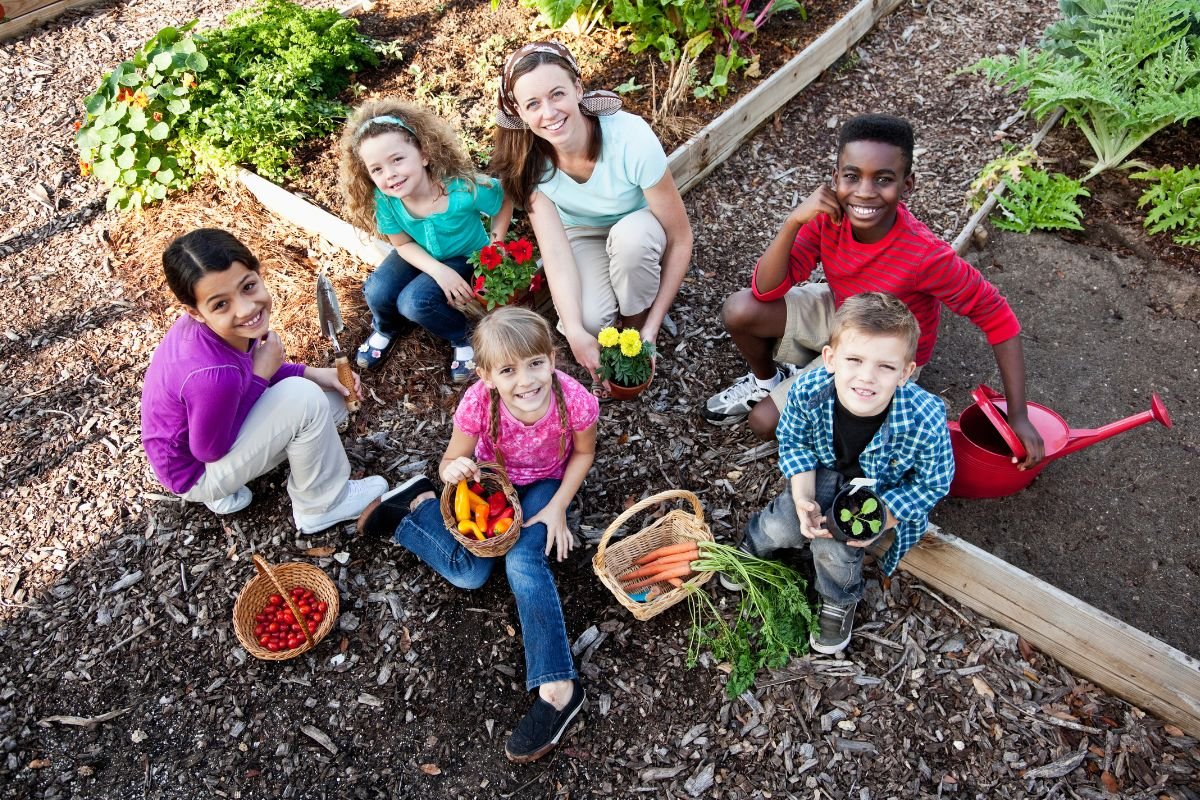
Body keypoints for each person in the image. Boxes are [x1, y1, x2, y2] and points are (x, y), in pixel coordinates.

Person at [703, 113, 1045, 467]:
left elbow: (997, 317)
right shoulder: (827, 218)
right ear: (835, 179)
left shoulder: (924, 256)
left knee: (765, 423)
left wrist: (1017, 414)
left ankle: (847, 420)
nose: (864, 191)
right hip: (843, 311)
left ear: (906, 185)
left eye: (883, 179)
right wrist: (793, 222)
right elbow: (764, 289)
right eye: (852, 177)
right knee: (740, 309)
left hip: (884, 345)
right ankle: (768, 380)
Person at [356, 307, 598, 763]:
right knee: (470, 574)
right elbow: (451, 462)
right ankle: (414, 512)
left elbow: (583, 453)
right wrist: (453, 471)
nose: (526, 381)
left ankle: (558, 688)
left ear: (552, 359)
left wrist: (557, 507)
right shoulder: (477, 404)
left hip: (546, 482)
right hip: (489, 483)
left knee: (524, 559)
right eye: (508, 370)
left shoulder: (575, 400)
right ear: (486, 376)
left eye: (535, 364)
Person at [731, 292, 954, 654]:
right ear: (830, 359)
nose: (867, 377)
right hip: (819, 473)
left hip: (876, 493)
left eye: (885, 366)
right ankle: (753, 545)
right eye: (855, 359)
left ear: (906, 372)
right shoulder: (807, 390)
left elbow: (934, 482)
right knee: (784, 523)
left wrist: (881, 518)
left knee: (836, 549)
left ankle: (837, 599)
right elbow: (795, 443)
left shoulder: (925, 417)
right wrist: (803, 497)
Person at [141, 228, 386, 533]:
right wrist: (262, 376)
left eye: (248, 286)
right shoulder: (213, 377)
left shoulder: (217, 331)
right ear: (195, 312)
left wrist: (312, 373)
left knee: (331, 400)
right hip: (196, 472)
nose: (245, 308)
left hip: (190, 447)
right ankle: (323, 505)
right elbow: (209, 450)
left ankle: (229, 489)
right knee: (306, 401)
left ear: (258, 272)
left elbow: (250, 373)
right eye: (221, 304)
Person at [490, 41, 693, 386]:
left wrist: (651, 327)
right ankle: (617, 311)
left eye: (557, 94)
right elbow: (554, 253)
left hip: (640, 226)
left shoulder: (630, 138)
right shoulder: (527, 162)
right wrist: (574, 333)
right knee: (589, 322)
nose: (549, 113)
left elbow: (681, 238)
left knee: (631, 244)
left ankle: (635, 322)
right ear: (520, 114)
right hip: (583, 233)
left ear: (578, 89)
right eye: (533, 104)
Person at [338, 99, 514, 383]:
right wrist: (437, 270)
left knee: (416, 302)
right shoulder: (385, 200)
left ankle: (463, 337)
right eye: (377, 169)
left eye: (397, 159)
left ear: (424, 154)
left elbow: (503, 199)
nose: (390, 174)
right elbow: (403, 244)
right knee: (377, 290)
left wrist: (496, 244)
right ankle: (386, 327)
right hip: (419, 252)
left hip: (464, 255)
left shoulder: (460, 189)